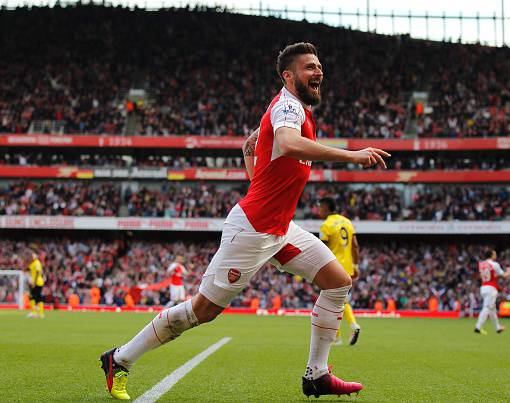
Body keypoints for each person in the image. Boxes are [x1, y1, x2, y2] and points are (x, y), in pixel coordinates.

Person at [100, 42, 390, 400]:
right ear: (288, 75)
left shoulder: (294, 108)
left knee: (337, 281)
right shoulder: (287, 107)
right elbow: (289, 143)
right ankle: (120, 358)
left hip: (280, 229)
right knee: (200, 312)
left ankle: (317, 375)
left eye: (319, 66)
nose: (318, 73)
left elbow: (265, 179)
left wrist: (249, 156)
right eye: (309, 68)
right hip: (252, 230)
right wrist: (352, 156)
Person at [318, 197, 362, 346]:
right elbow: (355, 246)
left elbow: (321, 249)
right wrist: (355, 266)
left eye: (320, 207)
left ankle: (348, 328)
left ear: (325, 207)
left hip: (333, 267)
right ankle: (339, 335)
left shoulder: (326, 225)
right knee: (338, 301)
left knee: (330, 301)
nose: (319, 211)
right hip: (347, 268)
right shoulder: (347, 222)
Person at [474, 249, 510, 335]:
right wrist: (509, 270)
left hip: (483, 287)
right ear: (491, 255)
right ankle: (478, 327)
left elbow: (482, 275)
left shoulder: (481, 264)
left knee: (492, 309)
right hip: (491, 288)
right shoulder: (494, 264)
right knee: (487, 307)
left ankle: (497, 327)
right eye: (495, 254)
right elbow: (504, 275)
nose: (496, 255)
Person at [25, 251, 45, 319]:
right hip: (33, 282)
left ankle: (40, 313)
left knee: (37, 297)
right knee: (31, 297)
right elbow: (27, 269)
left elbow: (37, 273)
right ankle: (34, 312)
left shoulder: (37, 263)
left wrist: (34, 282)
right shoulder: (32, 263)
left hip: (38, 282)